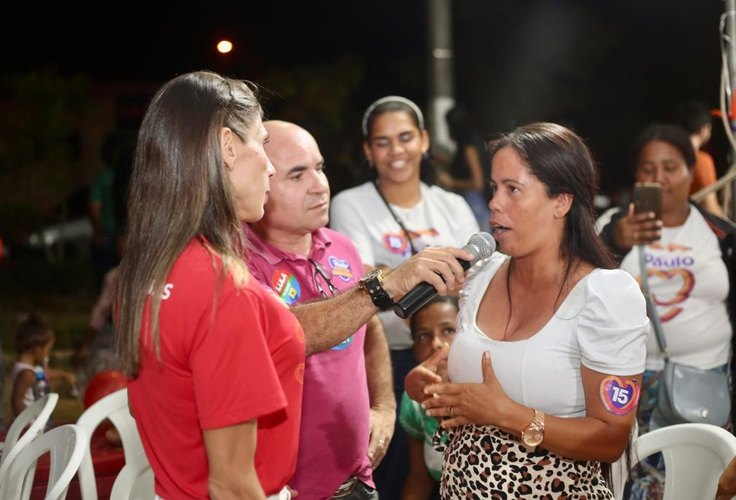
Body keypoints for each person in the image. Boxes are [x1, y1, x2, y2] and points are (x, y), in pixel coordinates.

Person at [116, 71, 472, 499]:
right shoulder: (224, 288)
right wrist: (385, 286)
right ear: (229, 148)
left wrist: (382, 401)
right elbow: (231, 484)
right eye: (260, 144)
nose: (267, 166)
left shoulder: (153, 270)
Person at [406, 122, 649, 497]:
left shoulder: (605, 296)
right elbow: (445, 369)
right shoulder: (480, 276)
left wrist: (505, 414)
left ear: (561, 202)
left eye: (513, 189)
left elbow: (611, 439)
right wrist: (431, 382)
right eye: (494, 188)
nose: (494, 204)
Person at [330, 95, 479, 498]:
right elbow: (358, 280)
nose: (396, 151)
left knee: (452, 469)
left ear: (425, 141)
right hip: (386, 359)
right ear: (368, 150)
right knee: (393, 471)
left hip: (450, 358)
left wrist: (391, 272)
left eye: (405, 137)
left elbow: (477, 279)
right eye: (382, 142)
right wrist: (430, 274)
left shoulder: (451, 205)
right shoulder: (350, 204)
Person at [244, 120, 393, 499]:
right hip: (288, 491)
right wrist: (384, 287)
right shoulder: (239, 262)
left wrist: (385, 405)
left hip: (358, 479)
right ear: (260, 180)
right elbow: (285, 335)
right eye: (297, 175)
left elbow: (369, 327)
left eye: (320, 168)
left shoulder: (342, 247)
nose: (320, 185)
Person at [596, 123, 736, 498]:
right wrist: (615, 241)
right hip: (625, 385)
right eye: (648, 168)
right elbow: (579, 287)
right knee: (631, 483)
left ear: (693, 171)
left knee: (696, 481)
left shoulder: (719, 235)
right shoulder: (611, 228)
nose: (659, 178)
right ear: (636, 174)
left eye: (671, 167)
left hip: (704, 378)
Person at [399, 295, 458, 500]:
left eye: (448, 331)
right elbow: (420, 477)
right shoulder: (414, 402)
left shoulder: (491, 390)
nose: (436, 343)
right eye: (424, 336)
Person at [11, 313, 76, 419]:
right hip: (29, 428)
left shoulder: (31, 369)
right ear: (36, 348)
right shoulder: (26, 373)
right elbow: (16, 400)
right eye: (47, 350)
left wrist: (63, 375)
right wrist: (22, 425)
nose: (47, 354)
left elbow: (45, 374)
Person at [437, 105, 491, 231]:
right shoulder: (469, 144)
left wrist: (451, 182)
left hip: (476, 203)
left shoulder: (469, 148)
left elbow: (477, 183)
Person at [676, 99, 724, 217]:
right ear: (704, 129)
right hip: (694, 226)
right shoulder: (702, 161)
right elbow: (710, 207)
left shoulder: (668, 158)